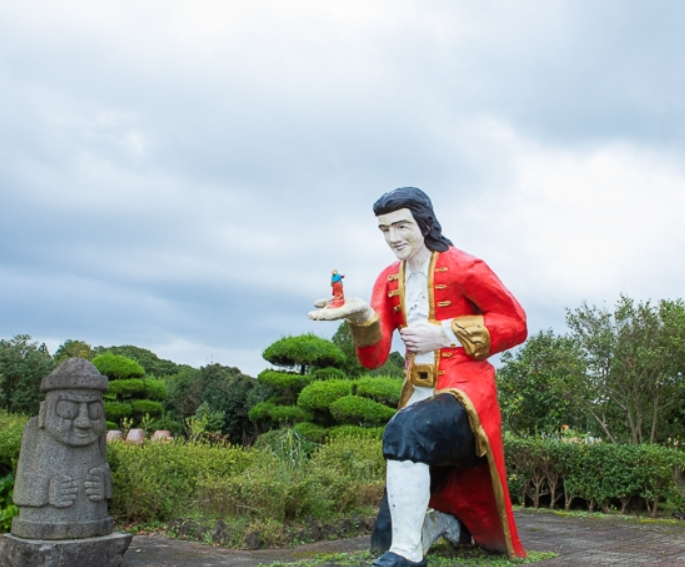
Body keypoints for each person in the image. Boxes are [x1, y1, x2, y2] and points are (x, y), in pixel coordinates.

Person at [309, 187, 527, 567]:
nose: (393, 238)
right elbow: (375, 357)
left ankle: (408, 555)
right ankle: (450, 524)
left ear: (424, 223)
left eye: (401, 226)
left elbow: (515, 323)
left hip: (464, 397)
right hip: (418, 396)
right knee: (381, 539)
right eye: (384, 229)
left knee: (405, 429)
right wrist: (360, 317)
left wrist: (444, 333)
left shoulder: (465, 267)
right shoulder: (387, 280)